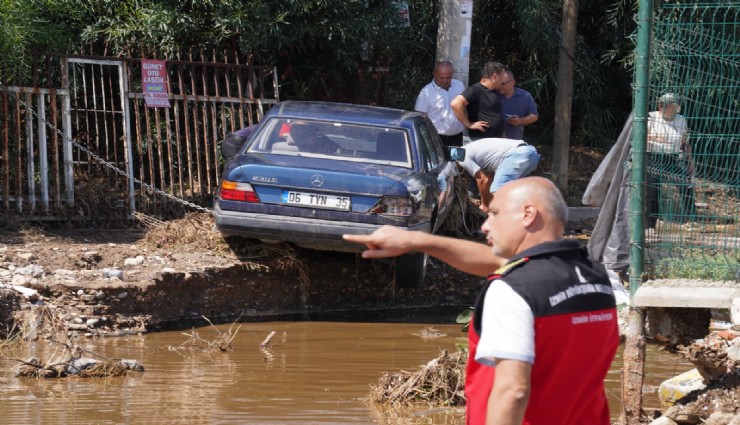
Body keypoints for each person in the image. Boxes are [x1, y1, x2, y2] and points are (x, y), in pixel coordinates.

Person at [343, 177, 619, 425]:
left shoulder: (512, 289)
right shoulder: (593, 276)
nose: (485, 226)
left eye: (495, 214)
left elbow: (513, 391)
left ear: (527, 214)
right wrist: (415, 240)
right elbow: (504, 262)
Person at [646, 93, 696, 225]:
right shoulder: (650, 117)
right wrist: (653, 138)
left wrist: (691, 163)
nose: (675, 110)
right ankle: (650, 224)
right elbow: (637, 139)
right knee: (652, 190)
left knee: (686, 185)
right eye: (662, 106)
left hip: (672, 159)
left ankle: (691, 220)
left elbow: (685, 144)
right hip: (652, 157)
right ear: (661, 106)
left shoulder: (681, 120)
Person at [457, 138, 540, 211]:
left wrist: (484, 205)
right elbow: (488, 178)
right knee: (513, 190)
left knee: (497, 191)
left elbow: (483, 180)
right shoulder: (468, 152)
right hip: (530, 152)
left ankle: (505, 223)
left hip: (518, 154)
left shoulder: (460, 157)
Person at [450, 62, 508, 143]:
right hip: (477, 140)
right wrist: (469, 124)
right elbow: (455, 103)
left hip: (494, 141)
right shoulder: (475, 90)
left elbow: (497, 116)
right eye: (502, 79)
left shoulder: (495, 92)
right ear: (495, 76)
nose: (502, 82)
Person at [415, 61, 466, 147]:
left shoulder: (459, 85)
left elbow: (464, 107)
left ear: (452, 74)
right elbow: (421, 116)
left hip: (458, 137)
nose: (445, 81)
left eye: (448, 78)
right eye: (441, 78)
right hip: (435, 138)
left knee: (457, 160)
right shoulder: (426, 92)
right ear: (434, 74)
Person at [496, 70, 539, 140]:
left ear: (513, 82)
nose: (499, 86)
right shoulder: (492, 96)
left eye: (503, 84)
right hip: (493, 142)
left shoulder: (525, 96)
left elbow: (534, 116)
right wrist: (505, 121)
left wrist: (519, 121)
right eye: (498, 83)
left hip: (515, 142)